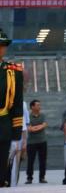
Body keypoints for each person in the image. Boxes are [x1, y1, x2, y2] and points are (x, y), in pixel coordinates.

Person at [0, 29, 23, 189]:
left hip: (3, 125)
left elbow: (17, 103)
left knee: (1, 168)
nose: (0, 48)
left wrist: (16, 137)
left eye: (3, 45)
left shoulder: (13, 72)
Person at [24, 100, 47, 184]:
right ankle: (29, 178)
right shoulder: (28, 116)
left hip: (42, 141)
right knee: (30, 161)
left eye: (39, 105)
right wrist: (40, 126)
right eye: (37, 105)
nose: (39, 106)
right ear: (32, 107)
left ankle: (42, 177)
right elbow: (30, 129)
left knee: (43, 160)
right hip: (31, 142)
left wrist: (35, 127)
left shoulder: (43, 115)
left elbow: (44, 125)